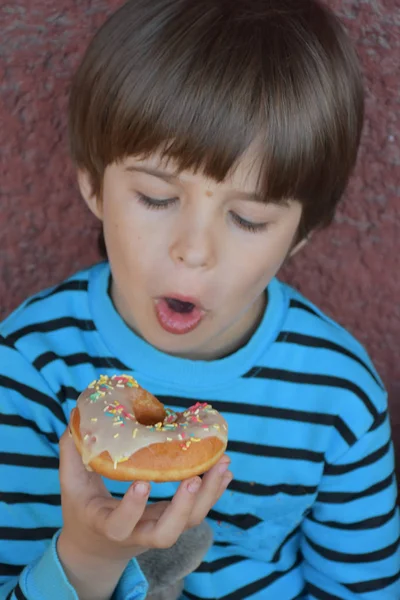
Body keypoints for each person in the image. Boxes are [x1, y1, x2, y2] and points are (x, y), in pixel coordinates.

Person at [1, 0, 399, 598]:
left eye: (248, 217)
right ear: (92, 183)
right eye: (157, 198)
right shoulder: (31, 366)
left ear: (302, 233)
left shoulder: (338, 394)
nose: (194, 250)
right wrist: (89, 556)